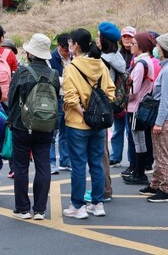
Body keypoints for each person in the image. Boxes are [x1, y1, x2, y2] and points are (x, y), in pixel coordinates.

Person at [61, 28, 114, 220]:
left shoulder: (72, 68)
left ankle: (78, 206)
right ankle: (97, 203)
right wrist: (96, 114)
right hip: (99, 124)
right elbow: (110, 92)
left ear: (75, 45)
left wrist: (85, 114)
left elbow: (71, 98)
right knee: (96, 164)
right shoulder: (100, 65)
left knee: (78, 165)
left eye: (70, 43)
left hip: (78, 123)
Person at [8, 34, 60, 220]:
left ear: (30, 53)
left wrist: (12, 120)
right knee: (43, 165)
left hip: (22, 125)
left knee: (21, 167)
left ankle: (22, 208)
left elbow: (11, 99)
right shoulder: (54, 75)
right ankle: (39, 209)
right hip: (46, 126)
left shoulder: (22, 72)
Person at [146, 32, 168, 203]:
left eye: (158, 46)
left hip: (166, 118)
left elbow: (165, 100)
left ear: (164, 49)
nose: (155, 48)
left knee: (163, 155)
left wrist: (159, 123)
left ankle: (166, 190)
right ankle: (156, 183)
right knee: (159, 153)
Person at [94, 22, 125, 202]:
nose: (97, 39)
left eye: (99, 36)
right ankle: (105, 188)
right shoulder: (118, 58)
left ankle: (104, 190)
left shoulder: (104, 61)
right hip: (109, 107)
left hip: (100, 107)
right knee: (102, 149)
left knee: (100, 151)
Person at [123, 31, 155, 186]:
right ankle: (139, 172)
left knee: (138, 140)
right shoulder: (147, 61)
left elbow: (134, 90)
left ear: (141, 46)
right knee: (139, 139)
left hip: (136, 106)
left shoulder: (141, 64)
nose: (130, 45)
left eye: (134, 43)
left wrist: (123, 99)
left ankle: (139, 173)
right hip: (141, 106)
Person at [110, 26, 136, 168]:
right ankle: (115, 156)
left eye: (130, 37)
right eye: (125, 36)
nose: (127, 39)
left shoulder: (137, 55)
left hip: (133, 96)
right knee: (117, 129)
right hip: (118, 96)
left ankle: (133, 159)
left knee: (131, 131)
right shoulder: (116, 54)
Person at [49, 33, 71, 173]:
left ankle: (65, 161)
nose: (68, 53)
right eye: (65, 50)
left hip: (69, 98)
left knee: (66, 132)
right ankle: (51, 163)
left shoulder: (74, 56)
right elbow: (52, 78)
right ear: (58, 47)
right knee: (52, 132)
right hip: (56, 98)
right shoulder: (51, 58)